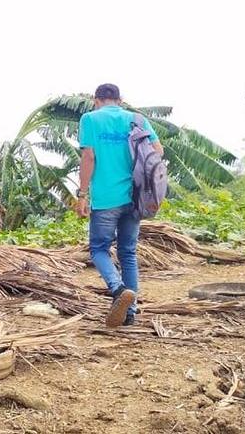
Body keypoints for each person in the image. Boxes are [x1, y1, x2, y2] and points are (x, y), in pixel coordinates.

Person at [76, 83, 163, 328]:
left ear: (96, 100)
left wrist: (82, 194)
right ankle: (130, 312)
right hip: (135, 198)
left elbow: (89, 157)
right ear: (120, 100)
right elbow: (158, 151)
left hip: (106, 198)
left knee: (99, 249)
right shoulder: (137, 119)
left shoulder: (90, 119)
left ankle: (118, 290)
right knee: (128, 252)